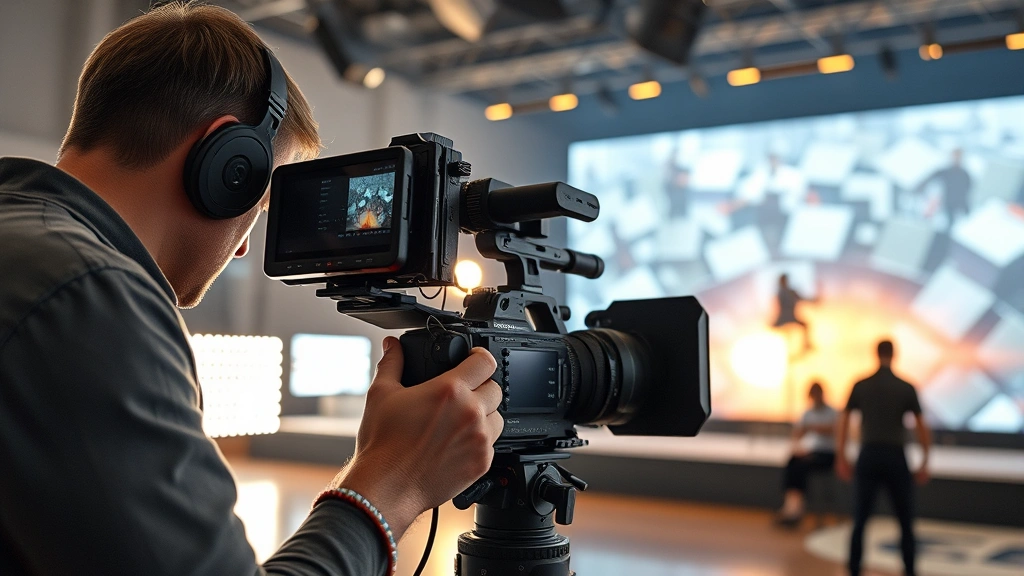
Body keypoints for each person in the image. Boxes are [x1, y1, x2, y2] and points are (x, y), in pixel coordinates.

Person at [0, 3, 503, 575]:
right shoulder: (89, 300)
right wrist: (394, 482)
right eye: (258, 205)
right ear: (225, 163)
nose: (243, 246)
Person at [836, 340, 931, 576]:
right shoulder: (906, 387)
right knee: (905, 519)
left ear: (876, 354)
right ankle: (909, 570)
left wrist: (842, 455)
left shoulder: (861, 385)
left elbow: (845, 421)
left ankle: (854, 569)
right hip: (895, 456)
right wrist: (925, 459)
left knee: (860, 518)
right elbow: (921, 427)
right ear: (894, 355)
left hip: (868, 454)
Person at [776, 382, 837, 527]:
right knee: (792, 462)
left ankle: (797, 509)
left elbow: (833, 430)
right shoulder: (808, 413)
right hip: (811, 453)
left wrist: (812, 427)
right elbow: (798, 433)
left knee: (801, 466)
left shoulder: (832, 413)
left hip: (827, 454)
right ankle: (792, 505)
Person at [917, 148, 972, 227]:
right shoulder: (947, 172)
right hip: (948, 205)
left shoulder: (965, 175)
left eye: (958, 156)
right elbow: (931, 177)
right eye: (955, 156)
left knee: (964, 225)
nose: (956, 158)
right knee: (948, 225)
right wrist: (921, 186)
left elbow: (969, 189)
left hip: (961, 205)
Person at [773, 274, 815, 351]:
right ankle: (801, 347)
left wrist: (812, 300)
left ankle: (805, 346)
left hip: (788, 317)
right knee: (787, 333)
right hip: (786, 317)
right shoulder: (786, 292)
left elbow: (801, 298)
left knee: (802, 327)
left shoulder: (786, 292)